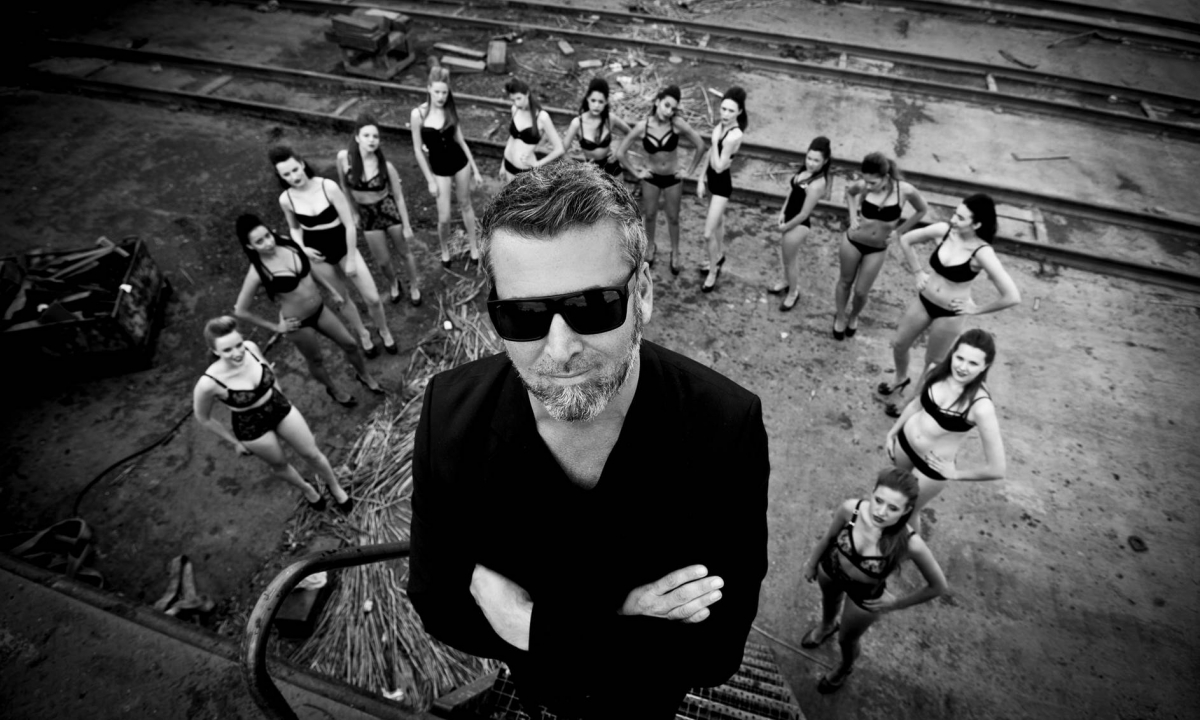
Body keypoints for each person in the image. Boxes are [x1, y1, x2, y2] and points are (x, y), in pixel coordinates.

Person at [408, 162, 769, 719]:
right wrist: (625, 614)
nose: (560, 350)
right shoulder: (451, 415)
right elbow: (438, 604)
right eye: (523, 315)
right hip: (545, 693)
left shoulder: (723, 424)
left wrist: (529, 622)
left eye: (591, 307)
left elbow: (715, 652)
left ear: (642, 294)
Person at [800, 468, 946, 694]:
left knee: (847, 640)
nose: (881, 512)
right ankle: (827, 626)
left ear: (907, 510)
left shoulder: (911, 543)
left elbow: (938, 586)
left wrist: (896, 603)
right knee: (829, 602)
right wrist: (812, 563)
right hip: (831, 569)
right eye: (878, 500)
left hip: (865, 595)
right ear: (872, 492)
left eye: (893, 508)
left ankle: (845, 667)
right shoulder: (851, 509)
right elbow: (829, 537)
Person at [193, 316, 353, 513]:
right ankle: (307, 489)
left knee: (312, 453)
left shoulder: (251, 348)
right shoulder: (208, 383)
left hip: (277, 405)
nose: (237, 353)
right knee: (280, 464)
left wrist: (280, 395)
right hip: (251, 425)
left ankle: (334, 486)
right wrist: (234, 442)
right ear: (215, 351)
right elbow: (203, 418)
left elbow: (268, 370)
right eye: (227, 350)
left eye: (238, 345)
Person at [880, 194, 1020, 414]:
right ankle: (900, 377)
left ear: (977, 224)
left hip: (950, 313)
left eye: (961, 218)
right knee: (899, 344)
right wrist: (917, 272)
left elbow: (1012, 296)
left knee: (932, 363)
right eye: (955, 214)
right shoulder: (943, 231)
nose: (953, 219)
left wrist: (976, 309)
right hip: (924, 300)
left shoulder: (982, 252)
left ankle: (911, 403)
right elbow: (906, 239)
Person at [232, 213, 382, 405]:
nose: (268, 243)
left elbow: (309, 271)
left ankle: (364, 375)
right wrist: (276, 327)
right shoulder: (257, 272)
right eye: (259, 242)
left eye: (267, 236)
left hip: (320, 309)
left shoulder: (286, 243)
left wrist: (331, 290)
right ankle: (334, 390)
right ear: (250, 246)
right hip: (298, 323)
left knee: (350, 344)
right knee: (316, 360)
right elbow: (240, 310)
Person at [270, 146, 397, 358]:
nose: (294, 177)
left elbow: (349, 224)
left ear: (302, 164)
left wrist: (351, 259)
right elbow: (294, 228)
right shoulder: (286, 199)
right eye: (286, 174)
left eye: (295, 170)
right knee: (342, 299)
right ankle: (363, 333)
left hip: (344, 245)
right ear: (281, 177)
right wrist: (302, 248)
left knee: (373, 298)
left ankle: (383, 329)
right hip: (317, 255)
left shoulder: (327, 187)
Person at [885, 329, 1006, 520]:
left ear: (985, 366)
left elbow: (997, 469)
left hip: (931, 466)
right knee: (893, 500)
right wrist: (893, 432)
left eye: (973, 363)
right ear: (952, 353)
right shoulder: (936, 371)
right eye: (960, 358)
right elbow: (916, 404)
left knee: (907, 516)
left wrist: (955, 474)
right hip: (904, 444)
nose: (963, 367)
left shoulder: (981, 407)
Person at [834, 153, 928, 339]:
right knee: (845, 282)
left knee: (861, 292)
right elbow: (850, 193)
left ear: (886, 177)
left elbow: (922, 210)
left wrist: (899, 231)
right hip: (853, 241)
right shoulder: (863, 185)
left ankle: (854, 316)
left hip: (877, 249)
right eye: (866, 181)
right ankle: (840, 316)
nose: (868, 186)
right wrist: (852, 217)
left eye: (873, 183)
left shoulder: (905, 190)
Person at [615, 85, 707, 273]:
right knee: (649, 215)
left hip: (673, 178)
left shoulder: (677, 124)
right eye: (666, 105)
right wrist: (637, 172)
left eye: (673, 108)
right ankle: (650, 247)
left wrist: (689, 171)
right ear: (657, 102)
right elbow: (620, 152)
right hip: (651, 178)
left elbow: (700, 145)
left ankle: (675, 252)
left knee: (673, 217)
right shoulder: (643, 127)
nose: (669, 111)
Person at [336, 115, 422, 307]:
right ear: (357, 137)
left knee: (405, 252)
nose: (371, 140)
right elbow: (345, 188)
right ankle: (394, 283)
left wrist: (406, 226)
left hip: (388, 212)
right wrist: (353, 212)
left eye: (375, 136)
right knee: (382, 261)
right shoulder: (344, 159)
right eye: (366, 135)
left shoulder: (386, 166)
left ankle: (414, 285)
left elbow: (398, 197)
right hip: (368, 216)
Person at [410, 65, 484, 269]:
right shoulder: (418, 114)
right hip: (439, 168)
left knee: (465, 204)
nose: (441, 96)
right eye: (437, 92)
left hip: (460, 163)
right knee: (444, 217)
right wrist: (430, 180)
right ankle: (444, 249)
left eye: (444, 92)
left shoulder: (450, 109)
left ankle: (474, 246)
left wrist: (476, 170)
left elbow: (461, 141)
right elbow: (417, 149)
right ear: (428, 89)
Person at [695, 87, 747, 293]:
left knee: (708, 234)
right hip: (710, 181)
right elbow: (710, 153)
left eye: (730, 111)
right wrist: (701, 178)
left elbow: (718, 166)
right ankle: (718, 256)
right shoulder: (721, 127)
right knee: (718, 223)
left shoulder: (734, 135)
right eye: (723, 109)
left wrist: (716, 140)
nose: (725, 114)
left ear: (739, 112)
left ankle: (713, 271)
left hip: (721, 186)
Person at [769, 136, 831, 310]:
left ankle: (793, 292)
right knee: (786, 258)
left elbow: (804, 214)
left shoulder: (817, 184)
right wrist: (782, 211)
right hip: (789, 218)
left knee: (791, 261)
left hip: (798, 225)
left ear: (825, 161)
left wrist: (786, 226)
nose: (811, 163)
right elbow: (793, 191)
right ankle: (786, 281)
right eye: (809, 158)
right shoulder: (804, 171)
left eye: (816, 160)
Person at [561, 77, 632, 177]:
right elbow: (562, 151)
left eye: (600, 101)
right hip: (591, 171)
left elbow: (630, 133)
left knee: (619, 187)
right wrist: (577, 168)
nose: (596, 105)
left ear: (606, 102)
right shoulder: (577, 123)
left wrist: (619, 151)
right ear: (587, 99)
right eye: (593, 100)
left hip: (612, 166)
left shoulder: (610, 119)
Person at [500, 78, 565, 183]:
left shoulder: (542, 117)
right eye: (513, 100)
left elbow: (559, 149)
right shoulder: (515, 109)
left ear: (527, 94)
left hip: (524, 170)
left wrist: (538, 164)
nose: (516, 103)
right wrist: (503, 164)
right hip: (508, 162)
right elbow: (512, 138)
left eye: (519, 98)